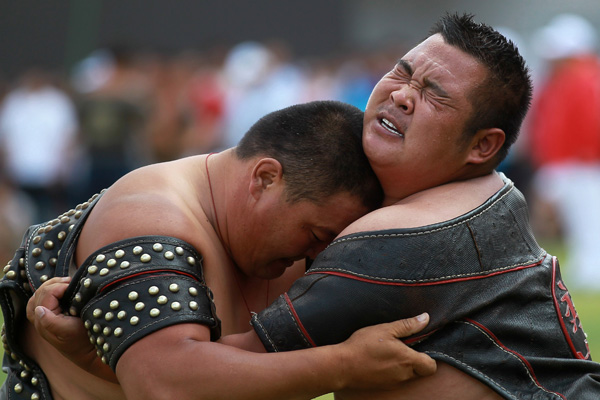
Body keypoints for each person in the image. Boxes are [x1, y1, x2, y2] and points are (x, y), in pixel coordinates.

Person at [246, 13, 600, 399]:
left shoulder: (408, 235)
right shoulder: (495, 192)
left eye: (434, 94)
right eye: (401, 73)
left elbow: (207, 374)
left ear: (483, 146)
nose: (400, 95)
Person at [1, 100, 436, 400]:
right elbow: (165, 385)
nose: (319, 254)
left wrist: (95, 359)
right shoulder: (150, 217)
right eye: (316, 233)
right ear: (265, 178)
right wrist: (343, 364)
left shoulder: (276, 245)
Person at [528, 14, 600, 291]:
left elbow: (590, 123)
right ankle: (588, 267)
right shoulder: (564, 79)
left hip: (582, 164)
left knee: (589, 219)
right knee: (578, 221)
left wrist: (583, 156)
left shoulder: (583, 78)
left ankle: (593, 270)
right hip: (569, 164)